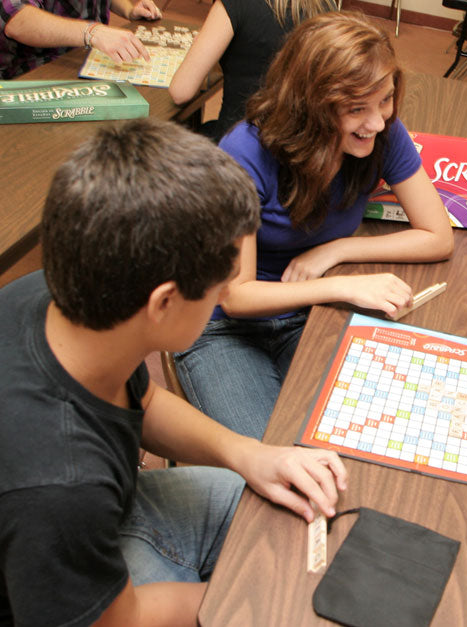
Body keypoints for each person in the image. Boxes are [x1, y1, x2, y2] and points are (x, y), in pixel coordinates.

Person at [0, 118, 348, 626]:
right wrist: (260, 595)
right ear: (163, 303)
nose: (227, 296)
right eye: (220, 286)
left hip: (107, 512)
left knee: (293, 512)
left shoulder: (62, 296)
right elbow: (122, 620)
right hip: (70, 590)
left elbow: (141, 401)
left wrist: (249, 454)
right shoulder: (58, 483)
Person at [175, 12, 454, 440]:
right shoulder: (245, 151)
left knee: (359, 437)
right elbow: (236, 296)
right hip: (223, 327)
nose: (377, 122)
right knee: (270, 458)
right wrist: (339, 286)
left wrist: (336, 251)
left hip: (308, 315)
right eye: (356, 109)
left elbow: (438, 235)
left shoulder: (381, 133)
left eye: (385, 100)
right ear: (310, 105)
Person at [169, 0, 334, 140]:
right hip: (297, 152)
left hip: (237, 152)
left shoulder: (236, 4)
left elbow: (181, 92)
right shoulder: (327, 5)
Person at [1, 0, 161, 79]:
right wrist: (92, 32)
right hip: (34, 74)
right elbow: (17, 21)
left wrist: (129, 10)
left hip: (87, 59)